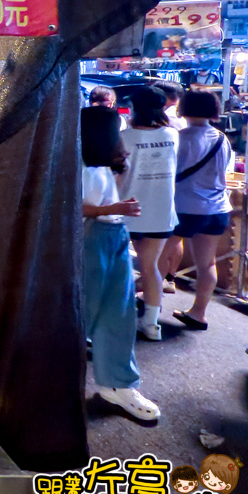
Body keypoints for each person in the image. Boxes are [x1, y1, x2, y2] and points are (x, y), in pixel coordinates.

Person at [80, 105, 161, 421]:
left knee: (120, 313)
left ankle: (118, 385)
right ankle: (49, 386)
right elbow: (73, 207)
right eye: (118, 130)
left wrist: (116, 204)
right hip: (91, 239)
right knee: (83, 314)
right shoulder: (79, 164)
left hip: (113, 236)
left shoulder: (101, 163)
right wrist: (112, 208)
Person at [162, 90, 233, 331]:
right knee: (207, 264)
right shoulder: (223, 139)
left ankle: (144, 297)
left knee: (159, 256)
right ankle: (198, 313)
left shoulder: (179, 137)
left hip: (185, 207)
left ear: (183, 109)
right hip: (217, 208)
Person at [118, 87, 179, 341]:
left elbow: (117, 174)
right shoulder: (173, 135)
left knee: (119, 266)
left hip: (126, 209)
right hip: (161, 210)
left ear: (134, 108)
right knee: (151, 267)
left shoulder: (124, 137)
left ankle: (117, 318)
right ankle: (152, 324)